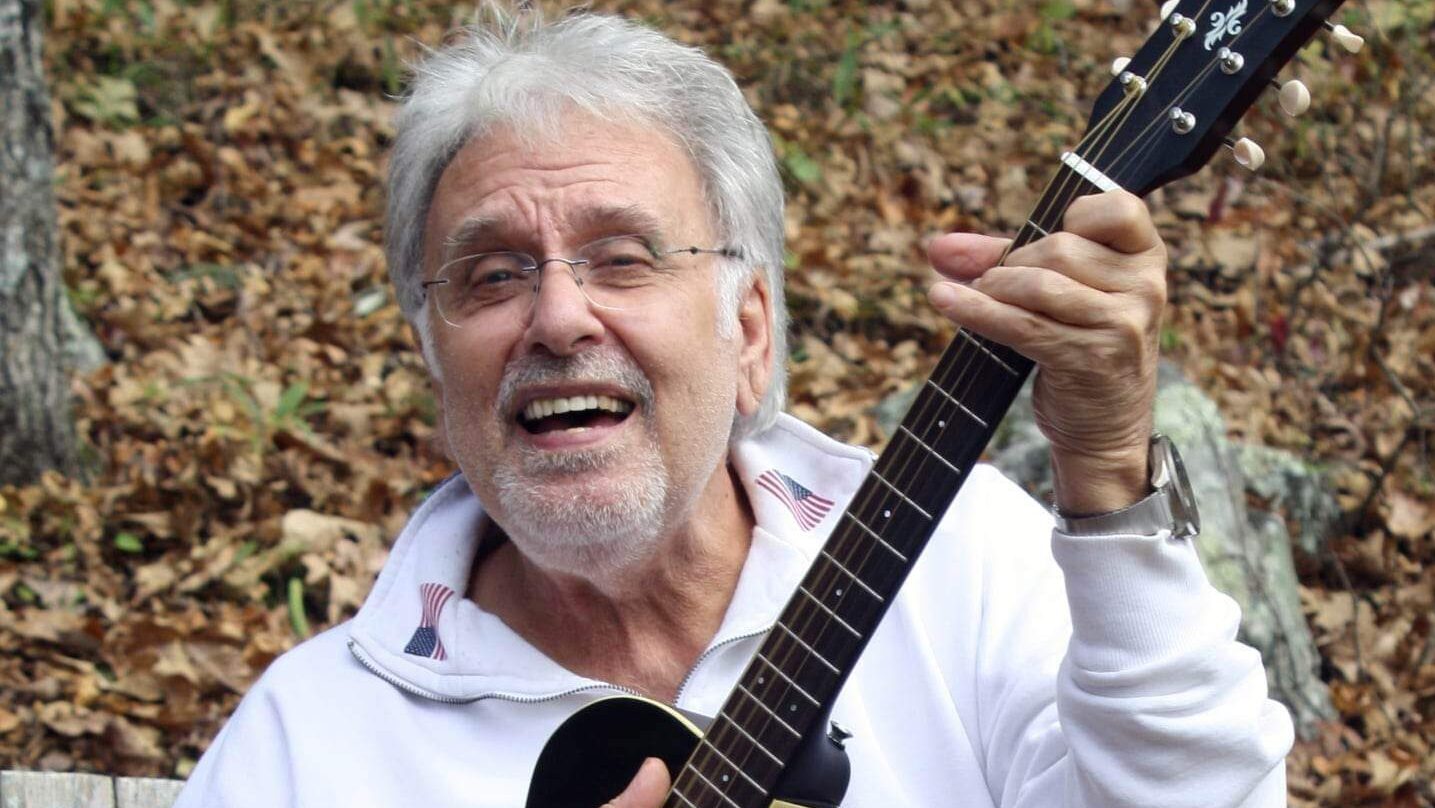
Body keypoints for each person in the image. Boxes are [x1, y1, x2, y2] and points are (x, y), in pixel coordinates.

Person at [173, 6, 1293, 808]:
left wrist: (1104, 480)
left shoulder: (965, 558)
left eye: (622, 258)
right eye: (492, 274)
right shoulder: (309, 740)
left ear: (749, 331)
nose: (557, 316)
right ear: (431, 356)